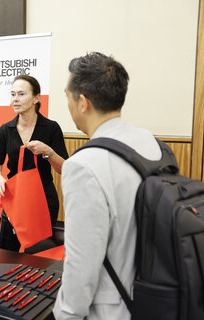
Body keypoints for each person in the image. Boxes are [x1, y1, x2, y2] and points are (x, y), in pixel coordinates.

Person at [53, 52, 162, 319]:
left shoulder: (83, 165)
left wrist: (65, 315)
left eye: (67, 96)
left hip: (112, 308)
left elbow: (82, 266)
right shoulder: (151, 143)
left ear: (82, 102)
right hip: (157, 294)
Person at [0, 74, 69, 252]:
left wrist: (48, 152)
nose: (15, 99)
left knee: (40, 255)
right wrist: (0, 180)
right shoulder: (5, 129)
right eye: (12, 94)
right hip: (14, 198)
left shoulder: (51, 128)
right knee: (6, 253)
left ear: (36, 98)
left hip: (42, 200)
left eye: (21, 94)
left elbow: (64, 168)